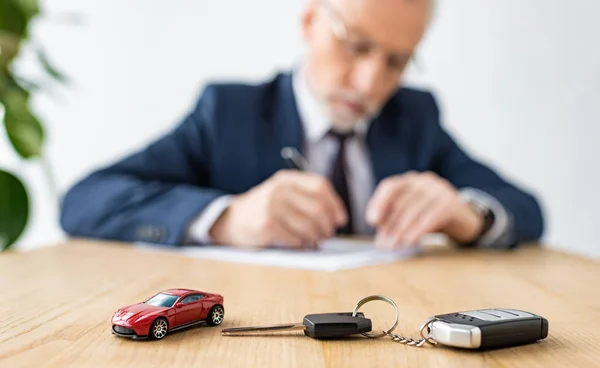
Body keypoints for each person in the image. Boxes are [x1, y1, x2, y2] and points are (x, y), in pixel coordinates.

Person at [59, 0, 544, 250]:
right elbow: (85, 200)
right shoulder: (228, 112)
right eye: (355, 46)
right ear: (310, 20)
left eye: (397, 62)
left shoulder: (413, 118)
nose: (371, 82)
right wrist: (227, 219)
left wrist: (469, 214)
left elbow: (527, 208)